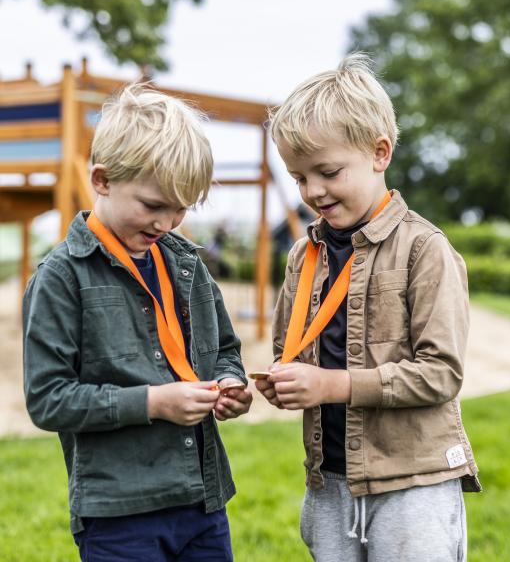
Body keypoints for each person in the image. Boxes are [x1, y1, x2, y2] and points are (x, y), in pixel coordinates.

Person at [255, 53, 481, 561]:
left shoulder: (425, 250)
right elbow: (290, 354)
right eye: (298, 178)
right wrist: (284, 383)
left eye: (329, 172)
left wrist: (332, 385)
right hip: (329, 481)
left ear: (380, 153)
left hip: (412, 483)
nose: (313, 191)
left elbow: (441, 373)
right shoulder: (302, 255)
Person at [23, 84, 252, 561]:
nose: (167, 223)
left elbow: (226, 348)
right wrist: (153, 402)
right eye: (153, 205)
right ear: (102, 180)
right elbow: (48, 400)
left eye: (181, 208)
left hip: (203, 504)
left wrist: (231, 382)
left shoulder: (189, 265)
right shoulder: (61, 277)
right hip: (118, 516)